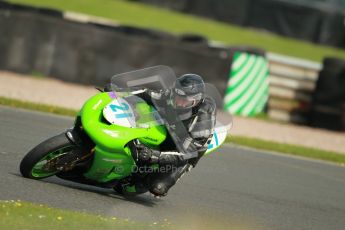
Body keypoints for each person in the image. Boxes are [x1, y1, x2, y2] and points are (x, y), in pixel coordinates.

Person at [107, 74, 217, 197]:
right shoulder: (169, 95)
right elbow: (145, 93)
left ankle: (149, 179)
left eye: (184, 101)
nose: (179, 103)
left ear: (196, 101)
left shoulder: (202, 121)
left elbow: (185, 154)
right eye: (177, 97)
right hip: (170, 130)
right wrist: (115, 93)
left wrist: (155, 156)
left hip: (187, 152)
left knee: (157, 188)